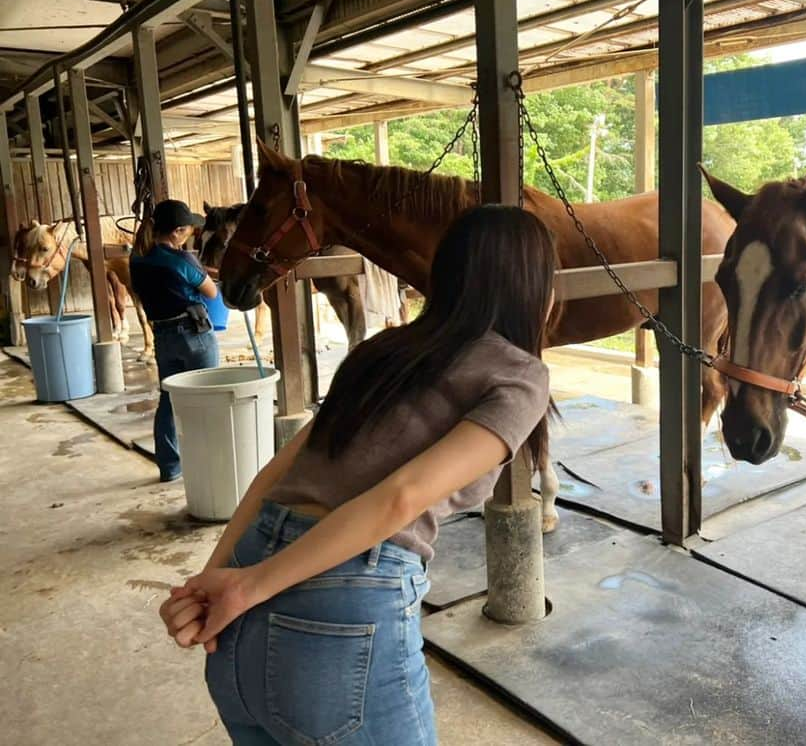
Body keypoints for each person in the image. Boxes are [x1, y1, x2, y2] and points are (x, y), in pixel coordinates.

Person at [159, 205, 556, 746]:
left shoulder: (384, 350)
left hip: (251, 572)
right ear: (533, 286)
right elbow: (402, 497)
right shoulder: (519, 373)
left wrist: (218, 580)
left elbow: (276, 471)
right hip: (340, 604)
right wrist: (241, 588)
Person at [130, 199, 220, 483]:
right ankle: (212, 465)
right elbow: (211, 293)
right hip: (194, 333)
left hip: (162, 336)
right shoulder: (182, 260)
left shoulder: (138, 258)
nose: (188, 235)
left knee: (169, 400)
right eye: (187, 231)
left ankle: (170, 468)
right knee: (210, 397)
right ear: (177, 232)